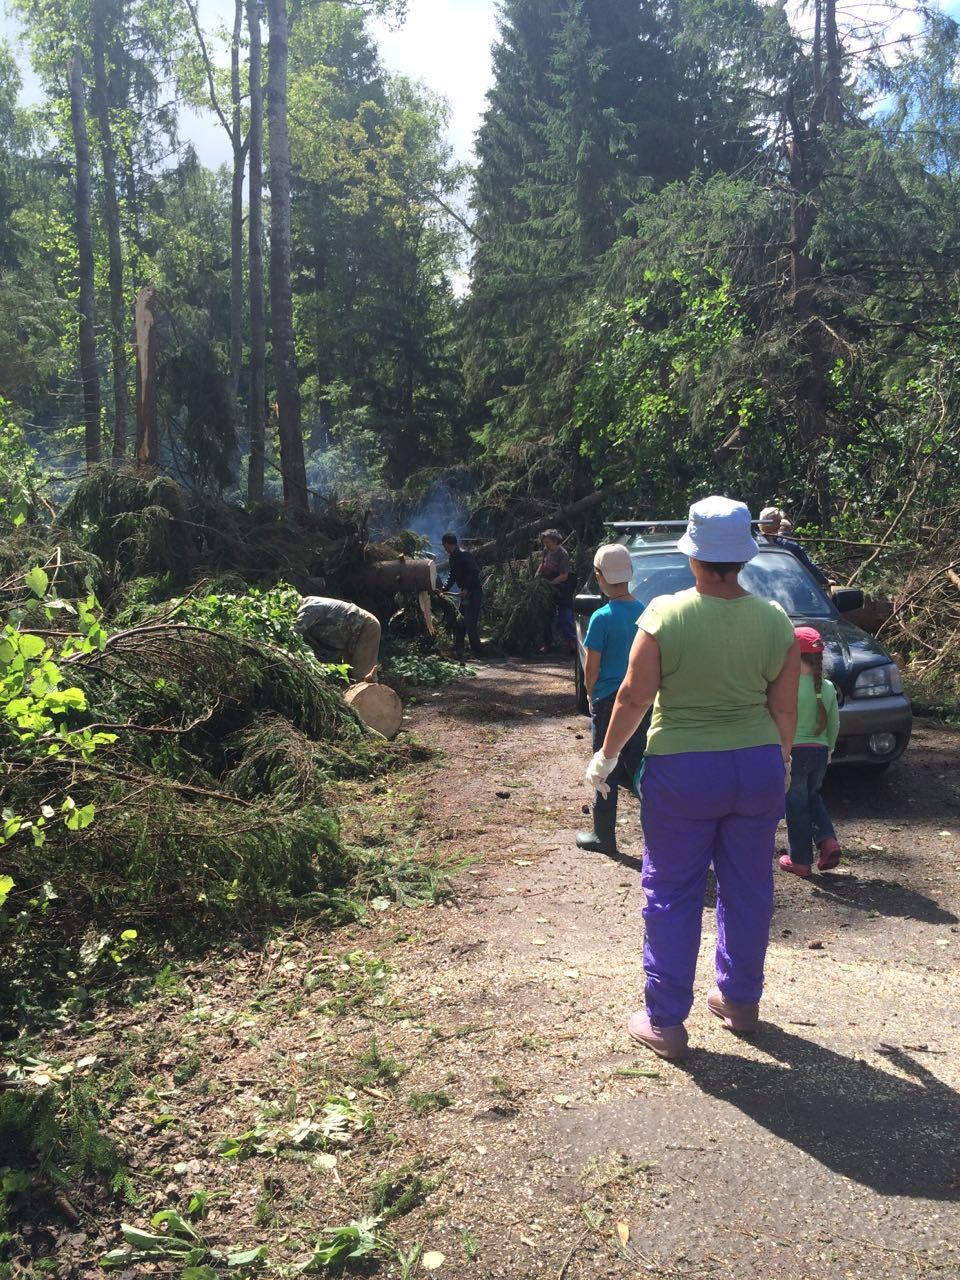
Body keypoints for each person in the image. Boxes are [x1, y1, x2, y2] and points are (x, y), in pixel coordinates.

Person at [586, 496, 800, 1060]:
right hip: (755, 767)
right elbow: (785, 710)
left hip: (684, 770)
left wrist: (606, 757)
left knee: (673, 891)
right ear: (744, 557)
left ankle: (665, 1023)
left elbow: (632, 698)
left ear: (693, 556)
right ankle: (740, 1001)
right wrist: (778, 760)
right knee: (749, 887)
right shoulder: (775, 619)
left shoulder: (665, 614)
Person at [575, 544, 649, 856]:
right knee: (643, 767)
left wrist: (593, 695)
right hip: (642, 699)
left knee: (604, 766)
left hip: (608, 701)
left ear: (598, 576)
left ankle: (603, 836)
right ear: (630, 575)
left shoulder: (601, 618)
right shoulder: (646, 612)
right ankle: (660, 835)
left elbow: (591, 666)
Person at [779, 626, 842, 878]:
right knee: (812, 797)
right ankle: (828, 841)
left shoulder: (786, 686)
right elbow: (834, 723)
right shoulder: (826, 686)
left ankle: (800, 861)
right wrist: (830, 749)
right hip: (819, 752)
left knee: (795, 806)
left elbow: (778, 719)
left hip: (793, 753)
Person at [294, 595, 382, 683]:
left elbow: (294, 632)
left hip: (365, 626)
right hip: (349, 636)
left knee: (362, 676)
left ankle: (375, 695)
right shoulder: (308, 606)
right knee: (348, 676)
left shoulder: (309, 608)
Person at [758, 506, 829, 588]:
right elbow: (808, 567)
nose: (779, 526)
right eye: (777, 522)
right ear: (767, 523)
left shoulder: (787, 545)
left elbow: (808, 566)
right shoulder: (787, 546)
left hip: (784, 589)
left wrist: (824, 580)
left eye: (780, 522)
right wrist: (825, 581)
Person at [440, 533, 483, 659]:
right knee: (461, 620)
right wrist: (444, 589)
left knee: (470, 622)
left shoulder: (464, 554)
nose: (444, 548)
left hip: (474, 593)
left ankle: (478, 651)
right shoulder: (453, 557)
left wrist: (467, 588)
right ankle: (459, 647)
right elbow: (452, 575)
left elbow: (474, 571)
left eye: (444, 545)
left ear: (448, 544)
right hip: (465, 594)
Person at [537, 529, 576, 654]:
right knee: (546, 615)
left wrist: (550, 584)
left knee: (565, 615)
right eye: (545, 543)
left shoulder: (563, 554)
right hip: (548, 584)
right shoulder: (546, 550)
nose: (546, 545)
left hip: (562, 586)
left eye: (548, 542)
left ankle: (572, 643)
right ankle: (547, 643)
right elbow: (543, 563)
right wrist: (538, 574)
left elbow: (564, 575)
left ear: (555, 541)